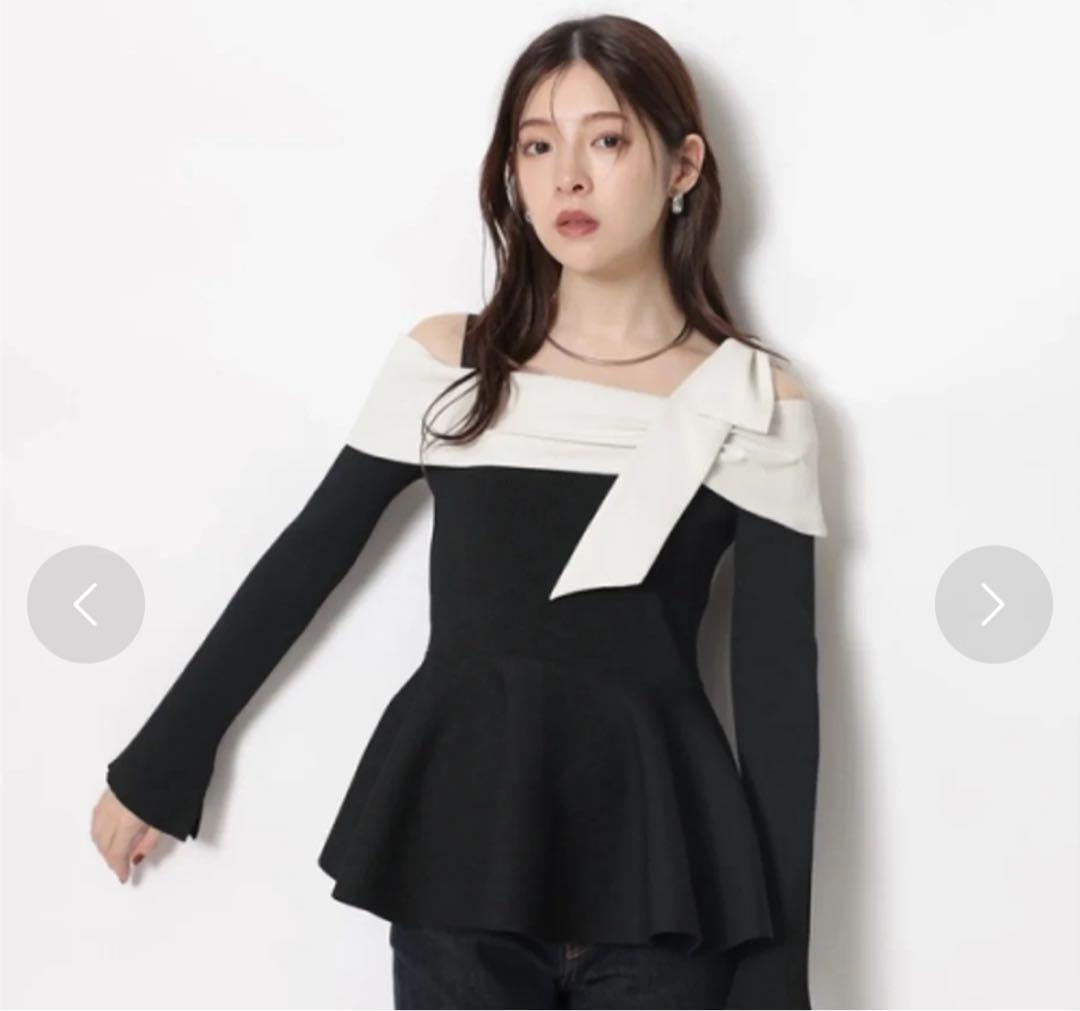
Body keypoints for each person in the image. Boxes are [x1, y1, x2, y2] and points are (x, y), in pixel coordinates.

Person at [91, 14, 828, 1010]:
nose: (568, 179)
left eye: (607, 140)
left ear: (683, 165)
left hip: (665, 883)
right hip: (458, 855)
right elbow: (309, 556)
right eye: (538, 146)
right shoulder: (453, 364)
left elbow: (780, 700)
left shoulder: (755, 401)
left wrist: (778, 977)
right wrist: (164, 759)